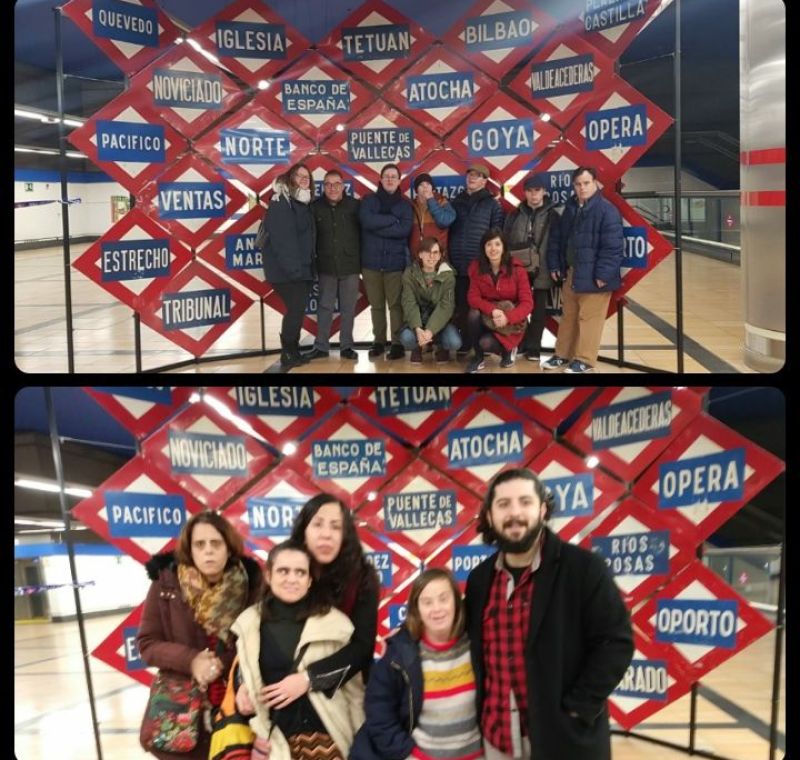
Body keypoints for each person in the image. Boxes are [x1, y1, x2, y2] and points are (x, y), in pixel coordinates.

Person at [464, 468, 634, 760]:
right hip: (497, 738)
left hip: (563, 740)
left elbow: (616, 642)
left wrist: (579, 706)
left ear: (543, 509)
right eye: (503, 504)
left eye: (525, 502)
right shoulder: (480, 579)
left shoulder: (583, 568)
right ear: (490, 516)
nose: (515, 513)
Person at [248, 494, 380, 758]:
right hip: (282, 710)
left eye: (335, 526)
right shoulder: (288, 569)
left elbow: (363, 648)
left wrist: (310, 679)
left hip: (340, 700)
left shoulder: (362, 577)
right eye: (318, 524)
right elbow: (255, 633)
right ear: (303, 530)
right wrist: (243, 683)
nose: (326, 534)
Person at [137, 511, 264, 760]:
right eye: (200, 544)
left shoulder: (252, 585)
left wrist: (221, 663)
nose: (208, 551)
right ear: (189, 550)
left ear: (229, 548)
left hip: (236, 705)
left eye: (216, 543)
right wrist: (192, 660)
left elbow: (259, 642)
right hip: (183, 712)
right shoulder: (166, 586)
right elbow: (147, 644)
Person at [232, 540, 365, 760]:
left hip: (330, 740)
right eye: (283, 571)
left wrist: (360, 739)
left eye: (300, 572)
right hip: (278, 743)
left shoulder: (336, 624)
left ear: (310, 580)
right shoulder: (248, 624)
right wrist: (242, 686)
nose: (292, 579)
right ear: (268, 576)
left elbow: (354, 692)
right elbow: (246, 669)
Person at [349, 568, 483, 760]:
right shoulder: (399, 656)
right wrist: (408, 754)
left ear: (456, 602)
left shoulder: (477, 644)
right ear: (416, 609)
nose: (437, 608)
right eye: (427, 602)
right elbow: (379, 714)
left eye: (444, 599)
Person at [542, 166, 624, 374]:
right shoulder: (569, 208)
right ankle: (562, 355)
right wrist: (556, 266)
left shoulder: (607, 210)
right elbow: (558, 241)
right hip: (572, 273)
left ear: (595, 183)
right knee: (568, 317)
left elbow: (613, 247)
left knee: (590, 320)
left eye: (586, 183)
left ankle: (585, 360)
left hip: (596, 278)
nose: (582, 188)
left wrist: (603, 276)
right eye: (578, 184)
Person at [261, 162, 317, 371]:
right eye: (299, 176)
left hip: (301, 268)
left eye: (307, 176)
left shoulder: (303, 201)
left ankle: (292, 350)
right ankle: (287, 352)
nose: (304, 179)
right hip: (286, 271)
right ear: (290, 178)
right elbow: (283, 241)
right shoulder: (281, 201)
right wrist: (294, 270)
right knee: (295, 310)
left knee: (297, 310)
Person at [502, 173, 561, 362]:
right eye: (529, 191)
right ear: (524, 192)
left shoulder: (553, 215)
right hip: (519, 271)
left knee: (538, 312)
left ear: (544, 191)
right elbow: (506, 240)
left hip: (543, 269)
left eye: (537, 190)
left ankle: (534, 347)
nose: (533, 195)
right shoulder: (515, 214)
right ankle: (521, 343)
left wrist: (556, 266)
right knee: (519, 309)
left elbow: (558, 243)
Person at [304, 169, 361, 362]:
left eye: (336, 184)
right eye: (328, 184)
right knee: (325, 307)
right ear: (323, 186)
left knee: (348, 309)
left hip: (350, 266)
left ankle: (347, 347)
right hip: (325, 265)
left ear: (343, 186)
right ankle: (321, 346)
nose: (332, 188)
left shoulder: (355, 206)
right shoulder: (314, 207)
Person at [359, 163, 414, 361]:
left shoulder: (406, 206)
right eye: (386, 176)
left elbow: (404, 230)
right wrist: (392, 219)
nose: (390, 179)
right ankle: (379, 342)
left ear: (399, 181)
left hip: (395, 264)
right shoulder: (368, 201)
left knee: (396, 306)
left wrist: (377, 224)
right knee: (376, 306)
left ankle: (397, 344)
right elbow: (367, 222)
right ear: (380, 179)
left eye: (394, 176)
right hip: (371, 264)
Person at [447, 164, 504, 351]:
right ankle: (465, 343)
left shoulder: (492, 204)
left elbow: (497, 235)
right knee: (460, 305)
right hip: (457, 263)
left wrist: (490, 262)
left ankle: (481, 344)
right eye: (470, 174)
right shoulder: (456, 201)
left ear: (485, 181)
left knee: (480, 307)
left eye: (477, 175)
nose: (472, 178)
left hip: (480, 265)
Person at [465, 228, 533, 373]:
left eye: (497, 244)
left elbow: (527, 303)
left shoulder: (517, 269)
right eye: (489, 244)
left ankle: (509, 349)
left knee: (486, 343)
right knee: (473, 314)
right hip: (488, 317)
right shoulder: (476, 268)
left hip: (511, 321)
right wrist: (493, 310)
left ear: (504, 247)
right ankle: (478, 358)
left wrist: (507, 317)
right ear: (483, 248)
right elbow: (473, 297)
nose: (493, 248)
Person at [398, 236, 462, 364]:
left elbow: (446, 307)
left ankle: (441, 347)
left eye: (435, 253)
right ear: (420, 254)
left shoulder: (448, 275)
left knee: (455, 342)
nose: (431, 256)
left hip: (440, 324)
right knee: (406, 338)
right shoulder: (409, 274)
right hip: (419, 321)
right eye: (427, 252)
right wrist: (417, 328)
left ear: (440, 255)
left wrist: (430, 330)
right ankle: (418, 347)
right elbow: (409, 303)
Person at [409, 172, 456, 257]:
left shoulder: (442, 202)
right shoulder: (410, 205)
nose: (425, 187)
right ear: (416, 190)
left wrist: (431, 200)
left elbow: (444, 221)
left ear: (432, 188)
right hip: (417, 257)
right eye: (421, 185)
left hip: (437, 257)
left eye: (428, 184)